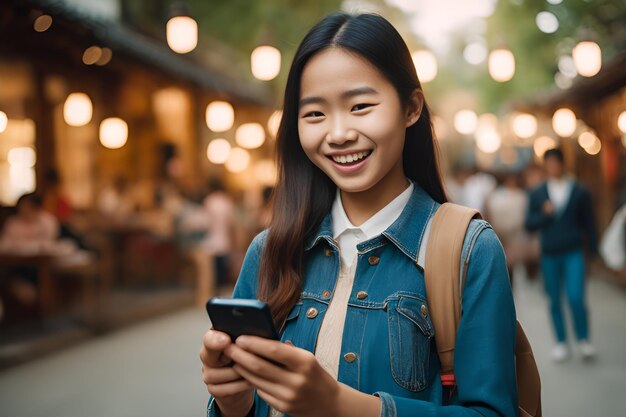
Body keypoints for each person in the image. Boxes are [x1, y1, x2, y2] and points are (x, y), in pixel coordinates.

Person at [200, 12, 517, 417]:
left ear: (411, 107)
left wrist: (340, 404)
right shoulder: (269, 251)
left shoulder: (470, 250)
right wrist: (232, 402)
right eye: (314, 114)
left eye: (360, 106)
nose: (338, 133)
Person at [525, 148, 597, 362]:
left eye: (556, 163)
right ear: (545, 166)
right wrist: (544, 215)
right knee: (554, 299)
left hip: (573, 251)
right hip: (549, 253)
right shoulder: (538, 193)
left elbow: (590, 224)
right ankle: (561, 342)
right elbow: (529, 224)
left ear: (562, 164)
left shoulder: (578, 190)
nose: (553, 167)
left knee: (576, 297)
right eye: (549, 163)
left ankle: (584, 339)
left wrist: (592, 253)